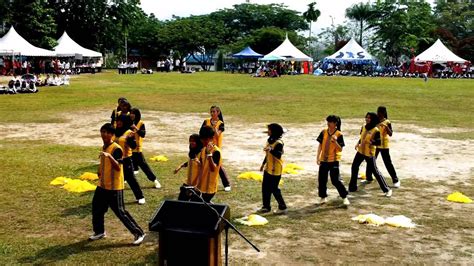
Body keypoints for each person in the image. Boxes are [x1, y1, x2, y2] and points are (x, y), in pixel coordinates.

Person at [89, 123, 145, 245]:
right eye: (102, 132)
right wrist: (99, 170)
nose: (104, 134)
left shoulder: (116, 149)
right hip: (102, 185)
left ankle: (139, 233)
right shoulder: (104, 146)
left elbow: (118, 167)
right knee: (97, 208)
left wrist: (109, 156)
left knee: (120, 212)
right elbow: (104, 162)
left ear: (112, 134)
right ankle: (99, 232)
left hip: (114, 187)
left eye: (107, 132)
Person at [348, 112, 392, 197]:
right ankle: (352, 187)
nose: (367, 119)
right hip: (360, 152)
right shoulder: (364, 127)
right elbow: (362, 137)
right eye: (366, 117)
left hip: (369, 154)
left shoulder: (376, 130)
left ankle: (387, 189)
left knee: (375, 171)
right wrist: (358, 143)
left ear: (373, 119)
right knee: (354, 166)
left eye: (369, 118)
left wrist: (371, 142)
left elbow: (378, 143)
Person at [316, 115, 350, 205]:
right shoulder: (323, 132)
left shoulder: (339, 134)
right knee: (322, 179)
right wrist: (318, 157)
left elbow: (340, 149)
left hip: (334, 161)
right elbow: (320, 145)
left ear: (335, 123)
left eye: (330, 122)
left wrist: (335, 142)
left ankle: (344, 197)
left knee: (335, 180)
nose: (328, 124)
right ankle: (323, 197)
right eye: (327, 122)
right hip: (324, 160)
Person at [365, 106, 400, 188]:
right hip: (375, 145)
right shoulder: (376, 120)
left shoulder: (387, 122)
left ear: (383, 113)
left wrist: (386, 127)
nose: (378, 114)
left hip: (384, 145)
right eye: (378, 112)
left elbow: (390, 134)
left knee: (388, 163)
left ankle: (395, 180)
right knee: (371, 161)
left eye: (380, 112)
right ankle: (369, 178)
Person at [114, 115, 146, 204]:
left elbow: (133, 146)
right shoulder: (114, 132)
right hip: (115, 160)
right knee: (115, 179)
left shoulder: (129, 133)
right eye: (118, 120)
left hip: (126, 160)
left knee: (131, 179)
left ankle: (140, 197)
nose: (119, 122)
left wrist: (129, 140)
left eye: (121, 121)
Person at [257, 123, 287, 214]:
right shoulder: (269, 140)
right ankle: (266, 207)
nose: (267, 131)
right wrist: (263, 164)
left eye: (269, 129)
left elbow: (278, 155)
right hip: (268, 168)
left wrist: (271, 150)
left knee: (274, 189)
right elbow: (268, 154)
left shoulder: (279, 143)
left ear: (273, 131)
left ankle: (282, 207)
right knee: (265, 188)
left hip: (276, 170)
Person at [201, 106, 231, 192]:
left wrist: (214, 128)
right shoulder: (206, 121)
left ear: (218, 113)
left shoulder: (220, 123)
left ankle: (227, 184)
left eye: (214, 112)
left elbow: (217, 135)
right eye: (211, 112)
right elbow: (201, 132)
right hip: (206, 146)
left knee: (218, 166)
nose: (212, 113)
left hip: (215, 147)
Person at [130, 108, 161, 189]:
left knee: (144, 166)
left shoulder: (141, 123)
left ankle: (155, 180)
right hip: (128, 149)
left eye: (133, 113)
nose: (131, 114)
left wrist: (136, 128)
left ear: (136, 114)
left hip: (137, 149)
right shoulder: (128, 122)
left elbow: (143, 134)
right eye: (131, 113)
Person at [194, 126, 222, 203]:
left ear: (212, 138)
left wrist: (209, 155)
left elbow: (213, 168)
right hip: (201, 186)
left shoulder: (216, 152)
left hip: (210, 187)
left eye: (206, 139)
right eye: (202, 139)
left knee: (202, 203)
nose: (204, 141)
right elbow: (201, 167)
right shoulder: (203, 150)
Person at [174, 134, 203, 201]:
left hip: (196, 183)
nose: (191, 142)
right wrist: (180, 166)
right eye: (190, 141)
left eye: (193, 141)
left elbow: (204, 167)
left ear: (198, 142)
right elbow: (190, 162)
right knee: (181, 199)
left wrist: (198, 184)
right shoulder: (192, 152)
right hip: (189, 181)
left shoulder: (201, 154)